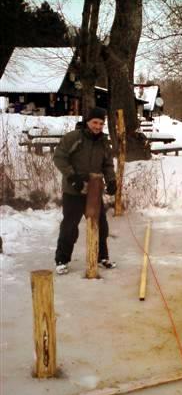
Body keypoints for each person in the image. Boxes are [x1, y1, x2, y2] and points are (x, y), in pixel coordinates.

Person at [53, 107, 117, 275]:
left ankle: (102, 257)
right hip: (74, 190)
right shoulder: (73, 137)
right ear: (87, 121)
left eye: (101, 123)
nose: (98, 126)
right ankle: (62, 259)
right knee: (70, 226)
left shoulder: (103, 141)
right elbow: (59, 157)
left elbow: (108, 164)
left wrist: (111, 180)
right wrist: (72, 177)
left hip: (94, 190)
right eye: (95, 122)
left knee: (101, 225)